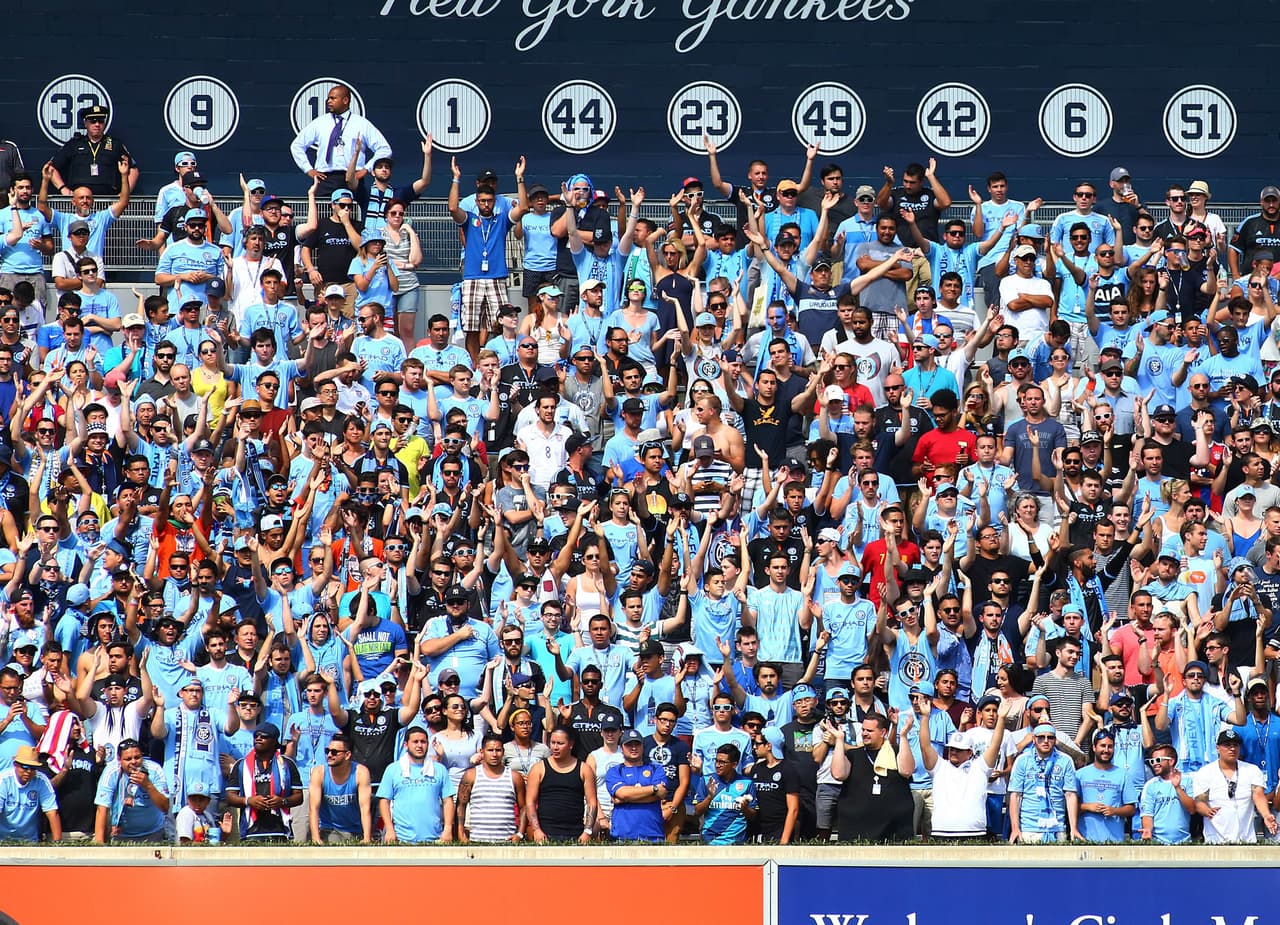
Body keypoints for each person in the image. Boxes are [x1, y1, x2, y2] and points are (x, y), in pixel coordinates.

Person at [918, 701, 1010, 840]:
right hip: (941, 834)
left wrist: (1001, 718)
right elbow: (925, 747)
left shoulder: (980, 767)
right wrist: (925, 717)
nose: (954, 752)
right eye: (952, 748)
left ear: (969, 752)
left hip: (975, 834)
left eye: (959, 749)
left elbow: (995, 745)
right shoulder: (939, 767)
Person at [829, 712, 915, 842]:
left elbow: (907, 771)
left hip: (893, 829)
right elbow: (838, 774)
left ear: (883, 732)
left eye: (869, 730)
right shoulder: (853, 754)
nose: (864, 733)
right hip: (856, 828)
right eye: (863, 730)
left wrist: (903, 736)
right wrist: (840, 740)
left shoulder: (895, 751)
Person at [1192, 728, 1278, 843]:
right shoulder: (1205, 772)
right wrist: (1206, 810)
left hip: (1246, 840)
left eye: (1236, 745)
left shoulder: (1251, 770)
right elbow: (1199, 801)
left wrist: (1266, 815)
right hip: (1216, 840)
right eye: (1227, 745)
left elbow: (1258, 795)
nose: (1232, 749)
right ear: (1218, 748)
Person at [224, 722, 303, 843]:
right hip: (251, 831)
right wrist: (248, 800)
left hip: (280, 830)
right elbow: (230, 797)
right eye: (256, 736)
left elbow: (299, 796)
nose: (259, 738)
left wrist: (282, 801)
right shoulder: (241, 765)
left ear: (274, 741)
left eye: (264, 736)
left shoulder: (287, 765)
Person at [376, 725, 456, 844]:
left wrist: (448, 829)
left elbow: (448, 801)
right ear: (406, 745)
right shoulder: (393, 769)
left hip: (434, 838)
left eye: (423, 742)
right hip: (401, 839)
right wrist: (389, 829)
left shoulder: (439, 769)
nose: (419, 745)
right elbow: (384, 801)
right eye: (415, 742)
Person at [1008, 724, 1080, 843]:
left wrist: (1073, 828)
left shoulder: (1065, 760)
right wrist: (1015, 828)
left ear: (1055, 740)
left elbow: (1070, 795)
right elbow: (1015, 795)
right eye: (1041, 737)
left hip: (1057, 828)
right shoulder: (1022, 760)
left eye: (1050, 737)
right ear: (1034, 739)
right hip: (1029, 828)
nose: (1046, 741)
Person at [525, 726, 597, 843]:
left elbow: (592, 802)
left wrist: (587, 831)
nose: (555, 747)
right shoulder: (538, 769)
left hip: (576, 833)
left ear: (571, 744)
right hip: (545, 833)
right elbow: (530, 802)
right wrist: (536, 830)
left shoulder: (584, 769)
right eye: (553, 743)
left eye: (560, 743)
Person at [93, 738, 168, 844]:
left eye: (137, 757)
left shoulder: (154, 770)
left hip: (153, 833)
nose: (133, 762)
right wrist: (99, 846)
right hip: (121, 834)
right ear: (119, 760)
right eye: (128, 759)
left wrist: (148, 785)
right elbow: (102, 809)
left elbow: (165, 807)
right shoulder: (111, 772)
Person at [457, 733, 525, 843]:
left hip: (507, 841)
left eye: (498, 750)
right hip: (477, 840)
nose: (494, 754)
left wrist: (520, 834)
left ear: (503, 752)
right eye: (490, 750)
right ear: (482, 752)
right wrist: (461, 834)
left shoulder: (515, 777)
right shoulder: (471, 775)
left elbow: (524, 808)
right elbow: (461, 805)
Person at [1074, 729, 1138, 843]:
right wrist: (1087, 807)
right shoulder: (1080, 775)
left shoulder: (1123, 775)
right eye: (1102, 746)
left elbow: (1131, 809)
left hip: (1114, 840)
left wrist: (1114, 811)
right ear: (1094, 747)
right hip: (1085, 840)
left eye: (1110, 746)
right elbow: (1069, 807)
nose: (1106, 750)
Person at [604, 727, 667, 842]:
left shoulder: (656, 768)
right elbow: (622, 793)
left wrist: (625, 799)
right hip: (622, 836)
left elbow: (661, 793)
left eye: (637, 744)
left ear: (643, 746)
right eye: (629, 745)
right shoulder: (614, 771)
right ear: (621, 748)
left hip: (653, 835)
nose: (633, 748)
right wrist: (653, 789)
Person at [309, 732, 373, 843]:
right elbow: (313, 808)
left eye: (334, 752)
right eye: (327, 751)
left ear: (347, 755)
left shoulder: (360, 772)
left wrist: (367, 837)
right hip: (329, 829)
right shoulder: (319, 772)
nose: (329, 755)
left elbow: (365, 808)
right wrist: (316, 838)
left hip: (356, 830)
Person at [693, 742, 756, 845]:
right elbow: (697, 812)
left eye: (722, 762)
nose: (717, 765)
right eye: (716, 761)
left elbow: (753, 816)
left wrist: (745, 808)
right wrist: (709, 797)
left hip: (737, 843)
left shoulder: (747, 783)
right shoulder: (707, 780)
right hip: (710, 841)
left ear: (734, 764)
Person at [0, 745, 60, 842]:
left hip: (30, 841)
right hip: (2, 840)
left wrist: (58, 845)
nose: (28, 771)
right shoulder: (3, 780)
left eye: (33, 768)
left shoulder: (42, 780)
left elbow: (52, 813)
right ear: (15, 765)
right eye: (25, 767)